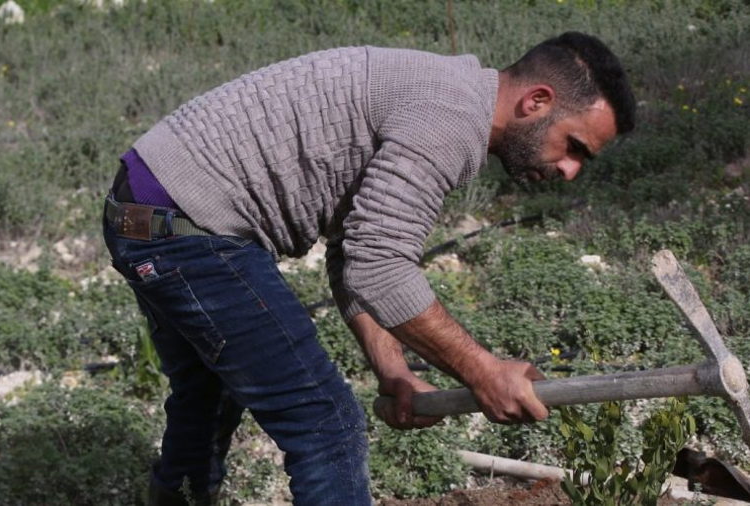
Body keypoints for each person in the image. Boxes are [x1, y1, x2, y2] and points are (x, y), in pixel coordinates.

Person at [103, 31, 635, 505]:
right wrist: (484, 372)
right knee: (327, 424)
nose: (569, 171)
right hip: (187, 227)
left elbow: (354, 246)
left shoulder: (449, 94)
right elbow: (378, 265)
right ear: (536, 101)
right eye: (574, 148)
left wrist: (393, 371)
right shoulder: (448, 119)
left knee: (208, 392)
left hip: (152, 207)